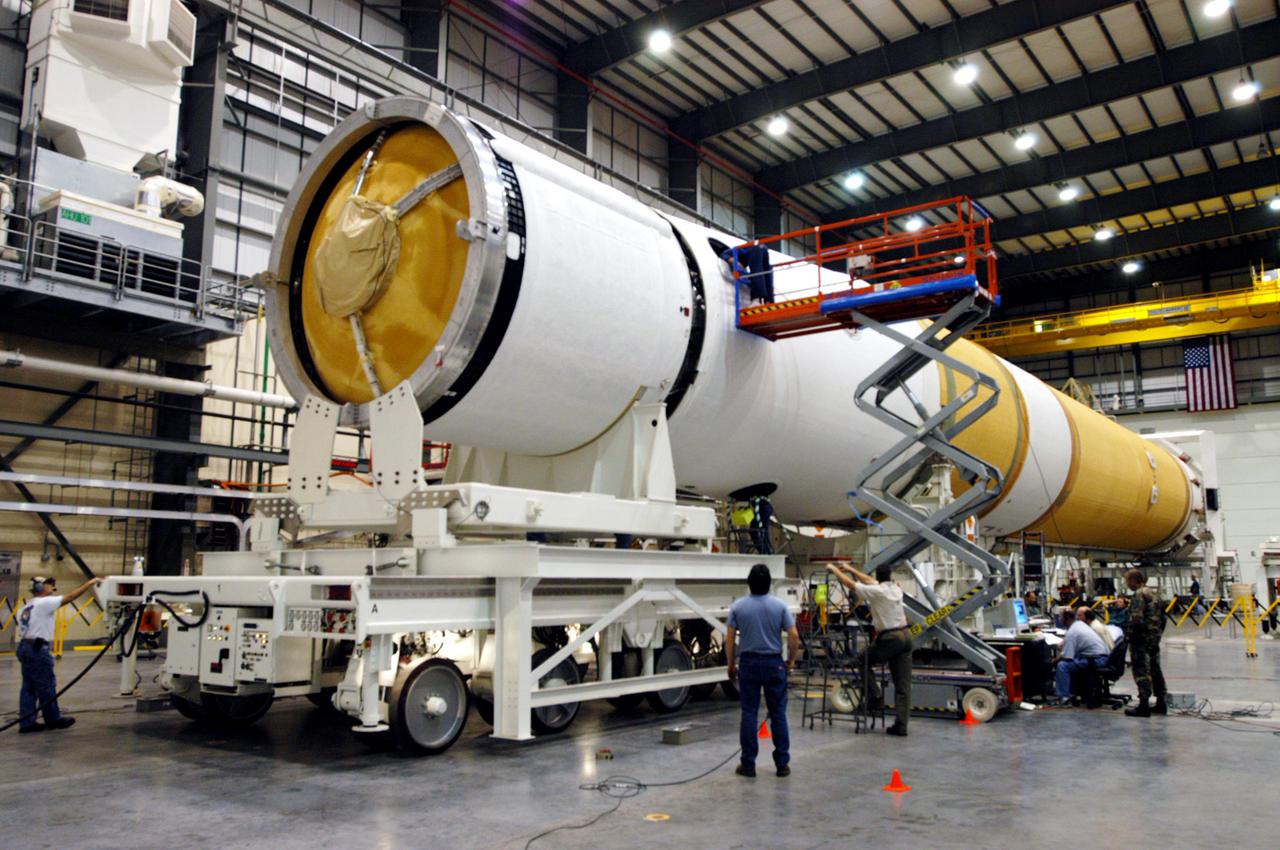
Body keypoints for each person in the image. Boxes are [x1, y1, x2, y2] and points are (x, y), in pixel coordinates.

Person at [725, 563, 800, 778]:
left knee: (749, 713)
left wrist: (730, 665)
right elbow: (794, 636)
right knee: (778, 714)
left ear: (749, 584)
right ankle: (782, 764)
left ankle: (748, 764)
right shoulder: (780, 606)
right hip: (773, 663)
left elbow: (729, 640)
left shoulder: (738, 607)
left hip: (748, 663)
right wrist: (791, 661)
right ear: (769, 585)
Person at [826, 562, 912, 737]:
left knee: (861, 660)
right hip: (906, 636)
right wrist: (850, 569)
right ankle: (901, 726)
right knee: (903, 685)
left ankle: (875, 696)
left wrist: (834, 570)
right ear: (890, 577)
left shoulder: (877, 592)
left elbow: (851, 585)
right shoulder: (895, 589)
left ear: (879, 577)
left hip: (890, 637)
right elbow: (870, 581)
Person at [15, 574, 102, 733]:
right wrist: (90, 583)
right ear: (40, 588)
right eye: (48, 584)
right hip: (37, 648)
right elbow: (70, 597)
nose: (52, 587)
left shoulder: (27, 606)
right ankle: (53, 719)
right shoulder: (45, 603)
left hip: (24, 647)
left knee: (28, 686)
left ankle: (27, 722)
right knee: (46, 685)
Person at [1123, 568, 1168, 717]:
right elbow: (1164, 618)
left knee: (1141, 670)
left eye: (1127, 580)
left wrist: (1128, 635)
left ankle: (1143, 704)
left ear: (1133, 581)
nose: (1127, 584)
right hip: (1154, 638)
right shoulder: (1154, 594)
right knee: (1155, 669)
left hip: (1140, 639)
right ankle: (1161, 702)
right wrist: (1157, 634)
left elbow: (1136, 619)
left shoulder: (1138, 595)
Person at [1053, 607, 1109, 700]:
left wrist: (1052, 662)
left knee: (1062, 665)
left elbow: (1067, 657)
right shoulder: (1079, 625)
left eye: (1060, 617)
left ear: (1066, 619)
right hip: (1100, 657)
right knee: (1071, 662)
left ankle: (1064, 697)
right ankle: (1072, 691)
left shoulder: (1072, 632)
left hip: (1096, 660)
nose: (1059, 619)